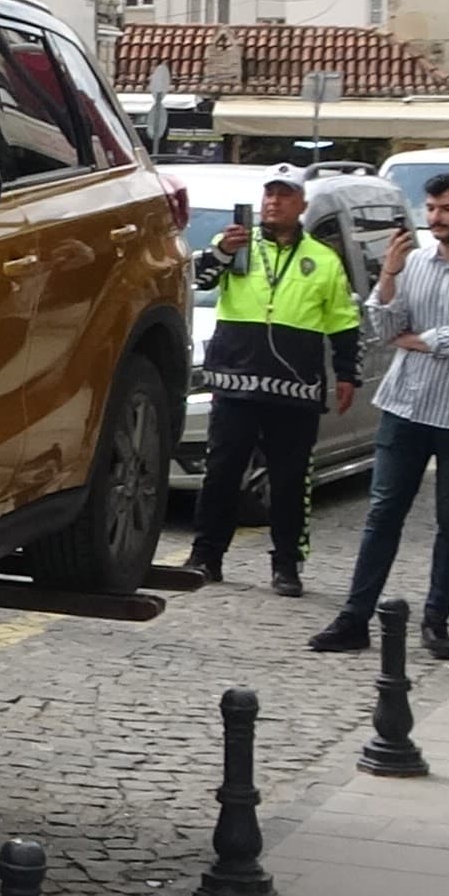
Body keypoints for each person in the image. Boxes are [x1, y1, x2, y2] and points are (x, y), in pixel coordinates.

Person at [318, 171, 449, 659]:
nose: (437, 218)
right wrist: (390, 274)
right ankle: (355, 617)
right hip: (404, 404)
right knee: (382, 513)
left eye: (448, 210)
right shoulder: (414, 261)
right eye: (433, 209)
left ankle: (436, 620)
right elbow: (382, 326)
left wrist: (426, 341)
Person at [180, 175, 360, 594]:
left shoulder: (323, 259)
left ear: (302, 205)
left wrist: (348, 372)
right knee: (221, 473)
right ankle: (206, 556)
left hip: (294, 390)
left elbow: (343, 321)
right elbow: (198, 281)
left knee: (291, 480)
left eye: (285, 195)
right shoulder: (236, 246)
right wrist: (222, 251)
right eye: (269, 195)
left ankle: (287, 565)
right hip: (236, 381)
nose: (274, 202)